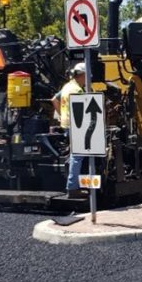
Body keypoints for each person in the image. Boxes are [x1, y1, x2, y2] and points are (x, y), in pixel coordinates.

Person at [52, 62, 88, 198]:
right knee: (78, 156)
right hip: (76, 125)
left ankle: (72, 177)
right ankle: (72, 188)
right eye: (86, 76)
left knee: (74, 154)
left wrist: (61, 115)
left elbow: (54, 99)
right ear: (82, 75)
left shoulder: (67, 86)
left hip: (66, 124)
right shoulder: (77, 90)